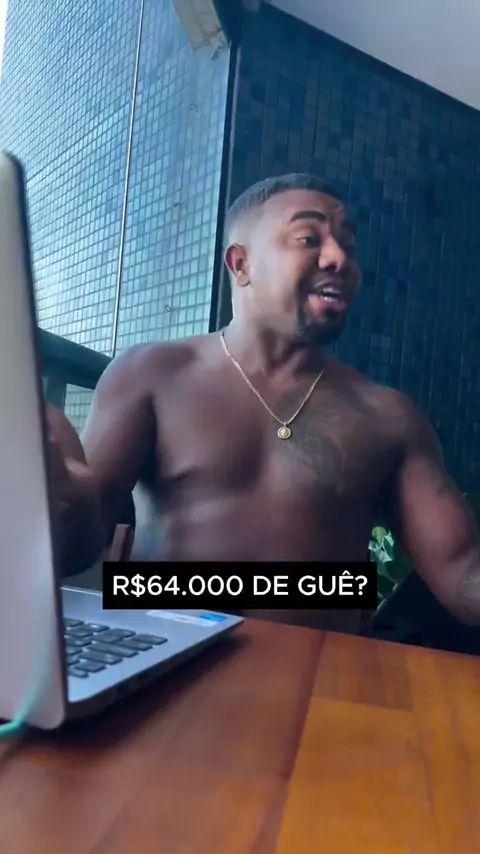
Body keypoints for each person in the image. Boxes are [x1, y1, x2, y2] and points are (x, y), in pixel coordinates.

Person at [49, 173, 480, 631]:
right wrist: (58, 484)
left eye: (349, 246)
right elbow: (77, 544)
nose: (339, 258)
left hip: (320, 667)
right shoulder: (151, 374)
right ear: (241, 265)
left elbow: (461, 570)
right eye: (308, 238)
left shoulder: (389, 416)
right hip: (166, 658)